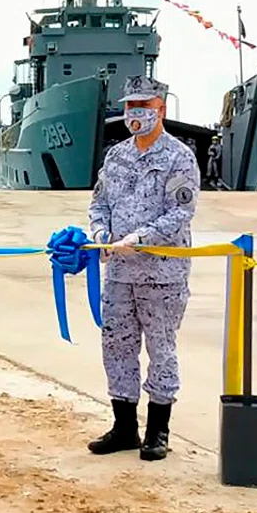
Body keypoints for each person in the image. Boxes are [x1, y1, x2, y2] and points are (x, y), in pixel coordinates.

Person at [86, 75, 200, 461]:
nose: (135, 115)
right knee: (116, 346)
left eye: (143, 108)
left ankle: (158, 430)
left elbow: (181, 212)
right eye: (130, 108)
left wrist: (138, 238)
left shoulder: (179, 156)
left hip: (162, 274)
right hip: (118, 274)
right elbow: (99, 203)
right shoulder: (115, 156)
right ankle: (124, 427)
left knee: (161, 349)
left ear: (161, 110)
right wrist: (102, 234)